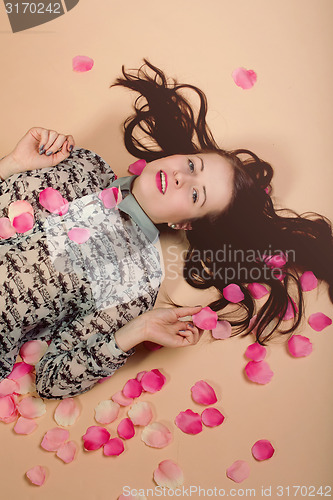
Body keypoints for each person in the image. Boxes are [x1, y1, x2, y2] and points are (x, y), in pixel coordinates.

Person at [0, 60, 332, 399]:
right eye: (192, 165)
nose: (180, 177)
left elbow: (51, 380)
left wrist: (134, 332)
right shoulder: (82, 165)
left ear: (185, 223)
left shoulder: (135, 280)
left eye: (194, 193)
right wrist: (12, 165)